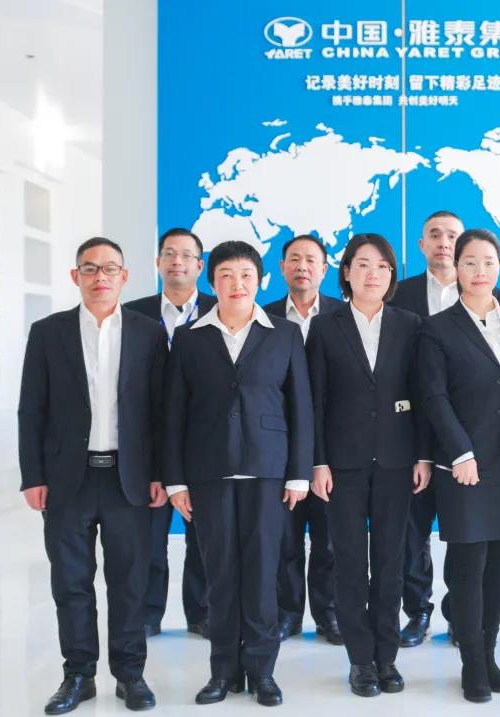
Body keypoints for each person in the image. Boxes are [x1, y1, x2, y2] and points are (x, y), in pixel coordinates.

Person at [19, 237, 167, 714]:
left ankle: (130, 674)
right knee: (71, 582)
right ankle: (78, 675)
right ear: (75, 276)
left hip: (130, 478)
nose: (100, 277)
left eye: (109, 268)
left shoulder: (149, 334)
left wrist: (161, 473)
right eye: (90, 268)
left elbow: (161, 411)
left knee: (130, 582)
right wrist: (32, 475)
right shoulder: (48, 333)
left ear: (125, 276)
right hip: (68, 480)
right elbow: (31, 410)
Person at [164, 241, 312, 707]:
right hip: (208, 472)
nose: (237, 283)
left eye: (246, 274)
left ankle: (262, 672)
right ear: (212, 282)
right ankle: (223, 671)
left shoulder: (284, 334)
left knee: (263, 574)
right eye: (226, 275)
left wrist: (299, 473)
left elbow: (301, 406)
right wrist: (175, 480)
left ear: (260, 280)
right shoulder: (189, 338)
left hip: (269, 473)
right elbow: (173, 414)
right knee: (220, 575)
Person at [307, 233, 431, 697]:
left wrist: (422, 454)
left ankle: (387, 656)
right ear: (346, 273)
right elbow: (315, 402)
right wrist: (318, 462)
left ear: (391, 274)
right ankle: (360, 660)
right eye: (362, 265)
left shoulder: (409, 324)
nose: (372, 274)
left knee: (391, 561)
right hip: (343, 465)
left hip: (398, 462)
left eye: (381, 266)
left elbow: (421, 395)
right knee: (349, 563)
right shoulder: (325, 327)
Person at [416, 228, 500, 703]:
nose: (479, 271)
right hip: (463, 464)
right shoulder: (437, 328)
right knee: (469, 564)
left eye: (488, 262)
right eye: (470, 262)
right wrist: (460, 452)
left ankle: (488, 652)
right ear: (456, 268)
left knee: (498, 564)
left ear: (499, 267)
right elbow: (434, 396)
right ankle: (471, 665)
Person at [389, 210, 500, 648]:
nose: (443, 241)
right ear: (422, 245)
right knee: (413, 533)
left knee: (466, 537)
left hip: (469, 442)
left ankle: (461, 613)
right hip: (414, 433)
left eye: (451, 235)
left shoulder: (490, 296)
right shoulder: (401, 294)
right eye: (434, 234)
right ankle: (418, 611)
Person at [123, 227, 216, 641]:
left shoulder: (222, 310)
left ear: (200, 265)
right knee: (148, 537)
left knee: (204, 536)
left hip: (205, 443)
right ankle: (148, 614)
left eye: (186, 255)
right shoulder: (132, 314)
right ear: (158, 263)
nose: (177, 261)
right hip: (148, 444)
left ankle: (202, 611)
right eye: (169, 254)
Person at [262, 234, 344, 645]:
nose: (302, 267)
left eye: (311, 260)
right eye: (294, 259)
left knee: (329, 540)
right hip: (280, 444)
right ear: (281, 268)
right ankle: (288, 613)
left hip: (333, 444)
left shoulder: (342, 315)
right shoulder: (263, 316)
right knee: (285, 537)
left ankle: (329, 615)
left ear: (325, 269)